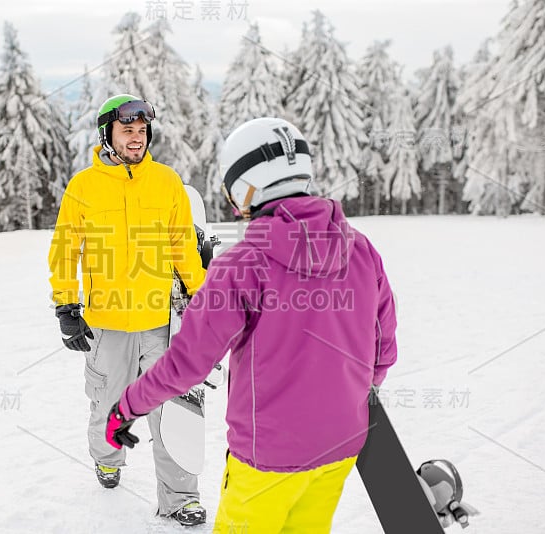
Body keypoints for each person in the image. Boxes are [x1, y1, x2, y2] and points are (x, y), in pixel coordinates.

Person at [104, 117, 398, 532]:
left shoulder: (241, 265)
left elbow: (188, 365)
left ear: (244, 187)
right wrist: (350, 395)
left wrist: (128, 406)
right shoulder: (362, 249)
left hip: (268, 458)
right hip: (342, 447)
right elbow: (383, 346)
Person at [48, 94, 208, 526]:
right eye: (127, 131)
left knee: (173, 410)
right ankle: (107, 459)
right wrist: (66, 305)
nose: (136, 139)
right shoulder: (83, 187)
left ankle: (180, 498)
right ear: (108, 135)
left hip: (161, 324)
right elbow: (66, 250)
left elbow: (183, 248)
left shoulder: (166, 181)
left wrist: (201, 295)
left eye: (141, 131)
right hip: (107, 323)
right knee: (107, 404)